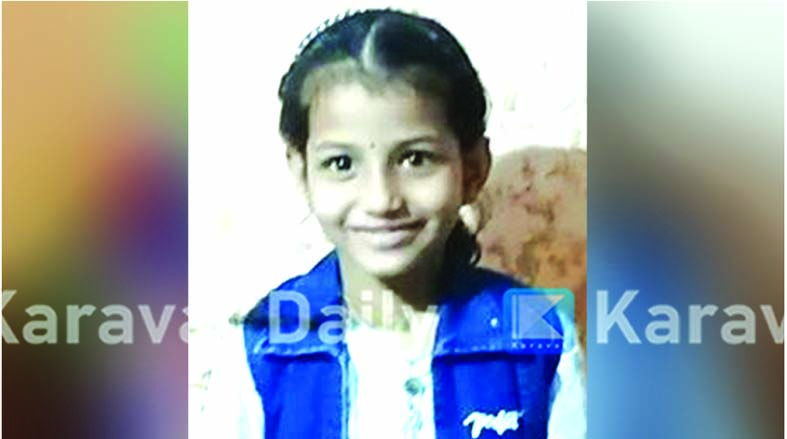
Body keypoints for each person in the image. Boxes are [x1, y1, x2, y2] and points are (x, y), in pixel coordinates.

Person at [203, 8, 585, 439]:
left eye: (415, 159)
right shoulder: (265, 344)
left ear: (473, 168)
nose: (381, 199)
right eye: (341, 163)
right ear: (302, 171)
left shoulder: (537, 329)